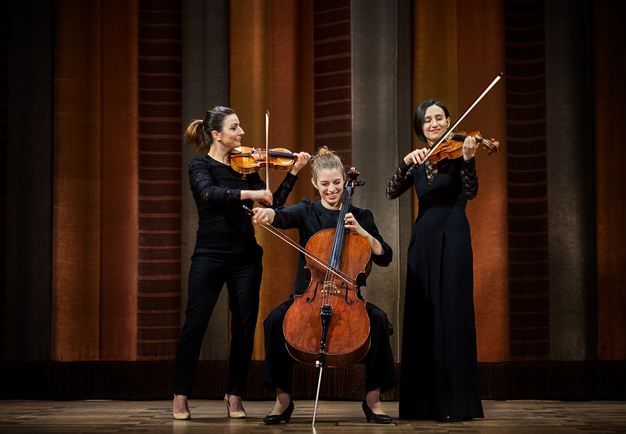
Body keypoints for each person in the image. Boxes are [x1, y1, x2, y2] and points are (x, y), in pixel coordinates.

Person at [172, 106, 310, 420]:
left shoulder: (247, 167)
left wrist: (292, 173)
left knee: (245, 328)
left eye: (241, 127)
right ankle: (181, 395)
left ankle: (234, 394)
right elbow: (209, 194)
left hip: (246, 256)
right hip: (209, 254)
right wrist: (250, 191)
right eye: (235, 128)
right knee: (195, 325)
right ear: (216, 134)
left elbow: (271, 202)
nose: (242, 133)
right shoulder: (200, 165)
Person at [251, 147, 398, 425]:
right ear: (315, 183)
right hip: (308, 296)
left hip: (348, 299)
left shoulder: (361, 216)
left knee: (377, 321)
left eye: (337, 183)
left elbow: (385, 256)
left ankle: (373, 400)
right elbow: (280, 216)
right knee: (274, 321)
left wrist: (363, 233)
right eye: (325, 184)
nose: (332, 190)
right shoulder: (307, 211)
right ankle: (282, 400)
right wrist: (266, 215)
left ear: (345, 180)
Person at [386, 99, 484, 422]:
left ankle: (457, 403)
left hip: (454, 234)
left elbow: (470, 192)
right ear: (420, 128)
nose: (433, 124)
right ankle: (421, 404)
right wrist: (403, 164)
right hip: (423, 239)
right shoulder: (417, 161)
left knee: (453, 312)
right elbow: (391, 191)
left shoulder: (459, 152)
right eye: (427, 120)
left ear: (449, 121)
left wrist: (469, 160)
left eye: (439, 118)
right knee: (423, 315)